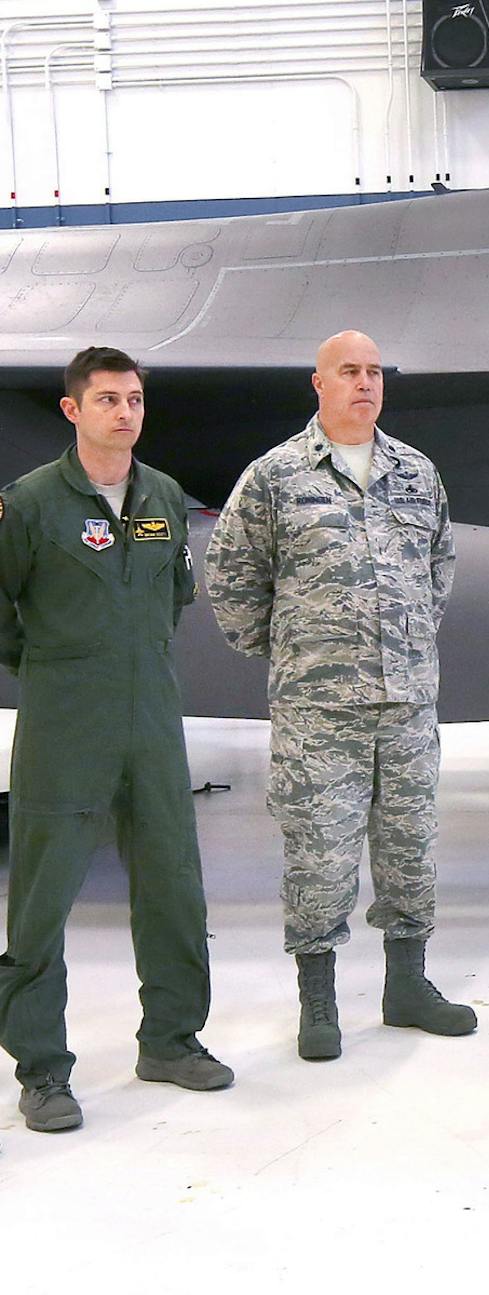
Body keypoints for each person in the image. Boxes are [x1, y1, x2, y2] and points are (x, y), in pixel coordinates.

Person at [206, 330, 474, 1063]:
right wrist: (298, 647)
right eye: (349, 371)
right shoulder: (276, 476)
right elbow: (230, 577)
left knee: (411, 848)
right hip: (317, 713)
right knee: (319, 856)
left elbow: (438, 566)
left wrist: (406, 638)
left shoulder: (416, 472)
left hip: (409, 705)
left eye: (374, 371)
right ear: (318, 383)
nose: (365, 382)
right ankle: (318, 1001)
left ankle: (407, 985)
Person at [0, 346, 232, 1134]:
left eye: (133, 398)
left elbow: (172, 598)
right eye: (106, 399)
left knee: (173, 884)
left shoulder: (162, 494)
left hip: (152, 722)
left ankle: (171, 1038)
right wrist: (59, 667)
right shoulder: (29, 503)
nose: (124, 412)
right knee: (41, 899)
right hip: (66, 723)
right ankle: (42, 1071)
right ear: (73, 410)